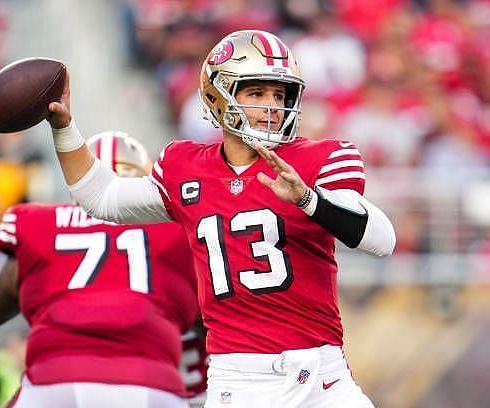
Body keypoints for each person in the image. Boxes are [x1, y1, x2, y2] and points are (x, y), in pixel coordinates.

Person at [46, 30, 396, 407]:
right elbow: (102, 198)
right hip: (240, 380)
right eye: (257, 93)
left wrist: (309, 200)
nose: (272, 106)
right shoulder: (185, 167)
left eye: (279, 95)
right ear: (218, 96)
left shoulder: (321, 159)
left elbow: (382, 240)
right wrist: (64, 128)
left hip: (322, 376)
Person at [0, 131, 199, 407]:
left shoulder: (40, 222)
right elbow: (214, 313)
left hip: (55, 379)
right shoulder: (179, 229)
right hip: (149, 382)